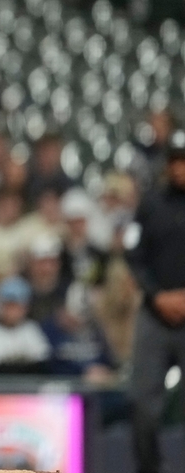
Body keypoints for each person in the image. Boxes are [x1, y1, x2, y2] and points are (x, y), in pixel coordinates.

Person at [127, 131, 185, 473]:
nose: (180, 169)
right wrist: (158, 295)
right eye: (175, 161)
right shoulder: (150, 205)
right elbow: (134, 255)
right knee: (143, 404)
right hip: (155, 315)